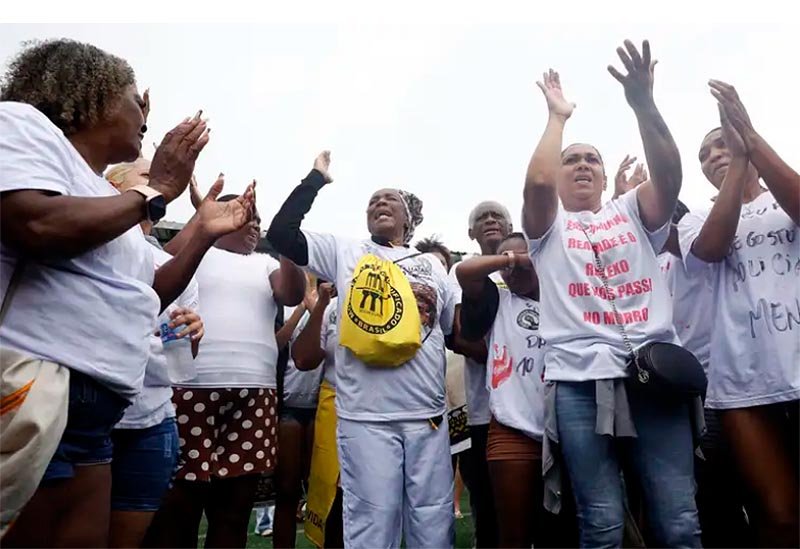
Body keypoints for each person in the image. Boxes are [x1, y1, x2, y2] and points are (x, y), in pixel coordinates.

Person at [0, 39, 254, 547]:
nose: (145, 114)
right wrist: (155, 187)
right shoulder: (20, 123)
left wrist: (201, 232)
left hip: (97, 415)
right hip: (41, 393)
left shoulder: (101, 194)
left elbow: (151, 292)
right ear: (89, 96)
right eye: (135, 99)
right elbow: (37, 224)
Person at [522, 40, 701, 547]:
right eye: (571, 160)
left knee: (678, 520)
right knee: (600, 523)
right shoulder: (547, 229)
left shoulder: (628, 211)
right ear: (559, 174)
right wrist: (558, 118)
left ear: (605, 177)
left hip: (653, 375)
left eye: (592, 160)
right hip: (578, 383)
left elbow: (669, 176)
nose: (582, 165)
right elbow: (535, 184)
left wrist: (644, 105)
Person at [267, 151, 459, 548]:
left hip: (427, 417)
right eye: (373, 200)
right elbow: (282, 232)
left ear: (409, 219)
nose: (379, 203)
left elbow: (448, 331)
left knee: (433, 523)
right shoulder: (345, 251)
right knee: (371, 527)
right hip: (364, 418)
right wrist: (315, 179)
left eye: (390, 199)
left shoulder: (433, 266)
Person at [145, 191, 306, 549]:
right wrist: (203, 219)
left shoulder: (264, 264)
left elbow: (292, 293)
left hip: (255, 394)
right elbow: (161, 262)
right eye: (246, 216)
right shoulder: (197, 253)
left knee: (234, 511)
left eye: (258, 220)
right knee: (180, 508)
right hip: (189, 391)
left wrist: (284, 244)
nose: (254, 225)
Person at [677, 80, 799, 548]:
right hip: (744, 385)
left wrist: (748, 136)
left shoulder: (782, 196)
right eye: (705, 153)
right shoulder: (693, 221)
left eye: (720, 143)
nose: (713, 154)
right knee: (778, 515)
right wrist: (739, 161)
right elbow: (711, 247)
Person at [105, 159, 205, 548]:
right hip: (90, 416)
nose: (161, 182)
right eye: (147, 176)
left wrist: (194, 335)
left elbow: (178, 361)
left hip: (153, 419)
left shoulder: (176, 268)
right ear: (111, 187)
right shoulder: (89, 248)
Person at [457, 232, 578, 548]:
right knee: (513, 536)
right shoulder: (498, 301)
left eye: (524, 259)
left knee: (565, 531)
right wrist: (513, 258)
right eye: (505, 264)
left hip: (571, 424)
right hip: (512, 428)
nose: (514, 270)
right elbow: (465, 271)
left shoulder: (569, 298)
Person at [448, 201, 513, 547]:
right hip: (479, 410)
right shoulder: (461, 272)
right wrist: (508, 360)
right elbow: (457, 336)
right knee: (486, 501)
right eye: (481, 218)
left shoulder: (530, 269)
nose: (490, 220)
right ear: (470, 233)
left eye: (497, 215)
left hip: (531, 405)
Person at [292, 282, 343, 548]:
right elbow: (303, 359)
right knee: (334, 497)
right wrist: (321, 304)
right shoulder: (332, 307)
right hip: (335, 406)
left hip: (380, 412)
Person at [274, 277, 324, 549]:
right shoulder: (281, 305)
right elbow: (276, 346)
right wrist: (300, 310)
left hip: (322, 408)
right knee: (287, 490)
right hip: (288, 408)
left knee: (322, 488)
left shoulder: (329, 304)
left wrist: (318, 306)